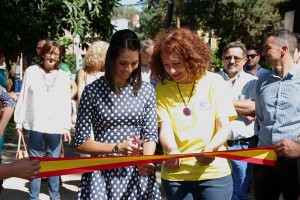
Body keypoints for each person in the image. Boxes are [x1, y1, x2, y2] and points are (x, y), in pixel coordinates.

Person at [150, 28, 237, 200]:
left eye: (176, 63)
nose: (171, 71)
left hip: (214, 174)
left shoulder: (214, 82)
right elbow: (165, 128)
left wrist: (210, 149)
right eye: (166, 65)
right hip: (176, 175)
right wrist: (172, 149)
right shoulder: (162, 89)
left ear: (191, 58)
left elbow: (223, 127)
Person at [74, 29, 161, 199]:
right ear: (111, 58)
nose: (129, 69)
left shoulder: (146, 91)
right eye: (123, 63)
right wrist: (117, 148)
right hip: (102, 174)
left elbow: (150, 133)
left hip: (137, 174)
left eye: (134, 63)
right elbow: (81, 142)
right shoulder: (92, 91)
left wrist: (147, 160)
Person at [14, 40, 72, 200]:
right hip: (34, 124)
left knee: (53, 164)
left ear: (59, 57)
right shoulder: (31, 71)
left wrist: (67, 126)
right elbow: (24, 96)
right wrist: (19, 122)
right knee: (35, 164)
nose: (52, 56)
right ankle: (34, 198)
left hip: (55, 126)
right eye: (49, 52)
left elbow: (66, 102)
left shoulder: (63, 76)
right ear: (43, 53)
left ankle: (55, 197)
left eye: (56, 54)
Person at [254, 29, 300, 200]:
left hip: (295, 162)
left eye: (267, 48)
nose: (263, 53)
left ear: (284, 49)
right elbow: (260, 118)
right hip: (264, 158)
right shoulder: (262, 83)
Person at [218, 41, 257, 200]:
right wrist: (242, 107)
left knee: (239, 194)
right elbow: (207, 108)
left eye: (236, 57)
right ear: (222, 59)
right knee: (217, 193)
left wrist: (221, 103)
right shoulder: (212, 79)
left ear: (245, 60)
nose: (232, 61)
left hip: (243, 146)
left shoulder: (252, 81)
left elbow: (253, 109)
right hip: (218, 146)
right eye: (228, 57)